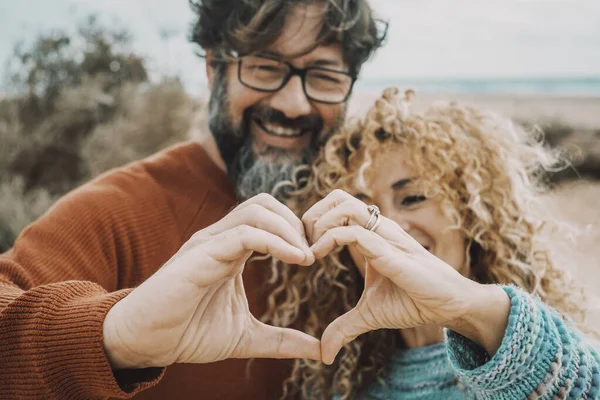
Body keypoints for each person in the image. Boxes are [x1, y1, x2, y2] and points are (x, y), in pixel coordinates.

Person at [0, 1, 385, 399]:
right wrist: (116, 335)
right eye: (266, 67)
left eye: (323, 76)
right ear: (213, 67)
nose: (293, 104)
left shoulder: (378, 209)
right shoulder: (118, 210)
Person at [263, 87, 600, 399]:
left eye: (412, 198)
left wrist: (472, 309)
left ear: (471, 213)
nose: (384, 227)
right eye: (360, 211)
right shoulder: (338, 380)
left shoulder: (548, 355)